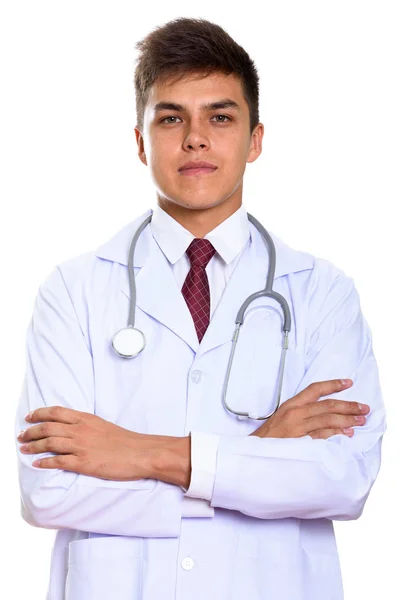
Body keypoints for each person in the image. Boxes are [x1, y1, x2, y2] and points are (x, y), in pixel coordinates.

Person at [15, 17, 386, 600]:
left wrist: (139, 452)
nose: (195, 138)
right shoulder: (73, 291)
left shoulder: (322, 293)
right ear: (141, 141)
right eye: (170, 118)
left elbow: (343, 480)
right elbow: (50, 493)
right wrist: (259, 459)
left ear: (255, 139)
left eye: (220, 116)